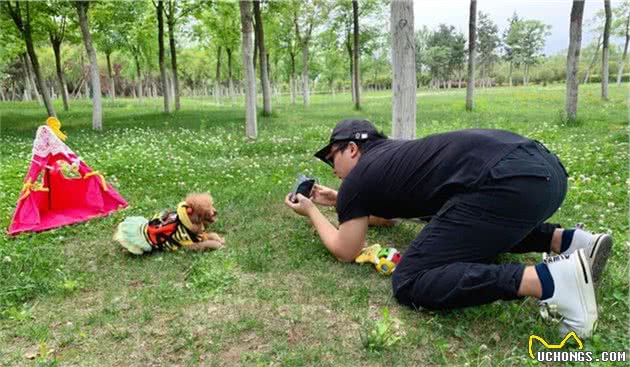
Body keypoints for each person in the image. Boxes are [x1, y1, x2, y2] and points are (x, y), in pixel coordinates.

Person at [284, 119, 612, 338]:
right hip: (544, 173)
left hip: (507, 184)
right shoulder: (392, 157)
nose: (333, 168)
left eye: (332, 157)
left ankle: (551, 281)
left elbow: (347, 249)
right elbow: (386, 217)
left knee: (409, 280)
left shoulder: (359, 177)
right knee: (457, 218)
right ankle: (571, 242)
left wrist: (312, 210)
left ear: (352, 148)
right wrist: (341, 200)